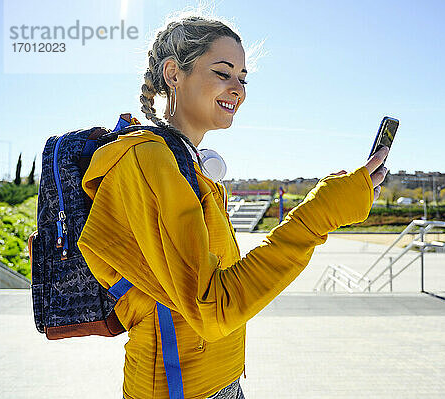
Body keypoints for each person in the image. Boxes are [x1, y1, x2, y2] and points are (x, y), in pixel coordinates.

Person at [77, 12, 388, 399]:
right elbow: (212, 308)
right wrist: (317, 217)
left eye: (242, 78)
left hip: (221, 381)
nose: (237, 88)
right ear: (174, 74)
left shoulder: (188, 165)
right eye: (223, 72)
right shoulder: (148, 162)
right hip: (180, 389)